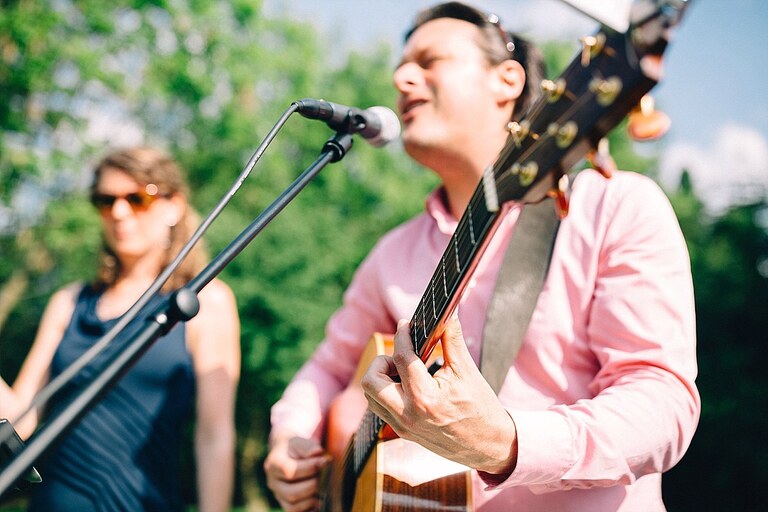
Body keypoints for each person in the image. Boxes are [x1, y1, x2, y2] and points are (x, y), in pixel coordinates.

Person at [264, 2, 700, 511]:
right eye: (402, 66)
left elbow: (662, 407)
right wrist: (290, 438)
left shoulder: (615, 207)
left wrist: (508, 443)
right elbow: (328, 369)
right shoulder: (393, 253)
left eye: (429, 61)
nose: (403, 77)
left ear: (507, 81)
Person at [0, 147, 240, 511]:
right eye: (105, 200)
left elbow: (214, 436)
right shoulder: (68, 303)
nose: (119, 212)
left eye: (137, 197)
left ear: (174, 206)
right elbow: (21, 418)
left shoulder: (207, 302)